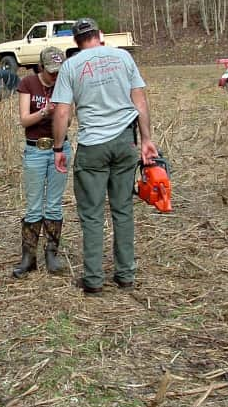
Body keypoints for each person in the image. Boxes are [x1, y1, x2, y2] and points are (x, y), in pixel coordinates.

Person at [51, 18, 157, 295]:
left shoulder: (71, 66)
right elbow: (140, 101)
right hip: (125, 143)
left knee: (93, 215)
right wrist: (146, 140)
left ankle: (94, 280)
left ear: (76, 41)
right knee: (123, 210)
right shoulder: (123, 57)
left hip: (93, 146)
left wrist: (59, 147)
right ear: (100, 35)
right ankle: (125, 275)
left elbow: (62, 112)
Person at [12, 46, 71, 278]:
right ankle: (29, 257)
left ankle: (51, 255)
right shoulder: (28, 83)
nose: (55, 76)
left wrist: (63, 113)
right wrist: (45, 112)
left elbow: (69, 117)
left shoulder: (65, 84)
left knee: (54, 204)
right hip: (35, 149)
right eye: (51, 71)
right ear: (40, 67)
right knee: (34, 205)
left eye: (58, 71)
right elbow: (25, 120)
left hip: (60, 147)